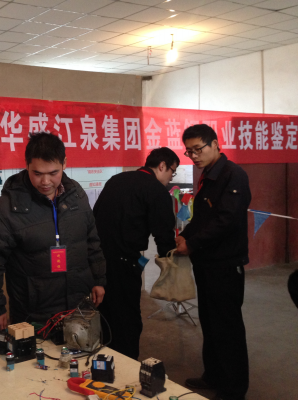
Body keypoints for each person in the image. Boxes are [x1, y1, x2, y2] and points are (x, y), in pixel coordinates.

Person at [0, 132, 106, 331]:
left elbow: (91, 241)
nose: (45, 181)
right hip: (33, 311)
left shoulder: (76, 196)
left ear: (65, 163)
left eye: (53, 173)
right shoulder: (6, 208)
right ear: (27, 165)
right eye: (37, 173)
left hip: (78, 305)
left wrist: (98, 280)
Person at [175, 124, 251, 400]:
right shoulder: (208, 176)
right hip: (206, 263)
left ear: (215, 144)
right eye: (189, 151)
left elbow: (226, 220)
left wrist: (193, 244)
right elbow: (202, 218)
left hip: (225, 264)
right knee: (209, 321)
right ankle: (214, 375)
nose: (194, 156)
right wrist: (185, 236)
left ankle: (234, 389)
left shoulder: (233, 175)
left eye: (198, 149)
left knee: (227, 326)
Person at [93, 147, 179, 360]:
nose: (170, 178)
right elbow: (164, 236)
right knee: (128, 321)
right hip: (125, 264)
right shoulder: (156, 190)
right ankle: (127, 367)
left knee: (106, 317)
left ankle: (106, 364)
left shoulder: (116, 180)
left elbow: (96, 217)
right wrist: (172, 260)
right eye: (172, 172)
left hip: (98, 261)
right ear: (162, 166)